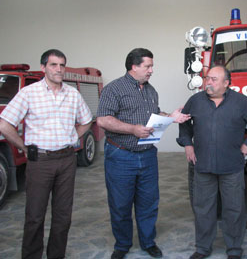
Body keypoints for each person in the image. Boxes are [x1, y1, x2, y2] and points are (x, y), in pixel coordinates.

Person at [96, 48, 190, 259]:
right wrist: (133, 129)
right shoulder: (114, 89)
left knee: (148, 202)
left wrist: (171, 116)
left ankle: (148, 242)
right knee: (120, 204)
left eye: (151, 66)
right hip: (121, 155)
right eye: (147, 66)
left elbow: (154, 115)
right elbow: (103, 120)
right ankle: (122, 244)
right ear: (134, 66)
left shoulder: (150, 90)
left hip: (147, 155)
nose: (151, 70)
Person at [0, 49, 93, 259]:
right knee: (34, 216)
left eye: (62, 65)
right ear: (43, 68)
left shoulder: (73, 94)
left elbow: (86, 120)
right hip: (40, 161)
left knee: (63, 216)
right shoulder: (28, 93)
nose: (59, 69)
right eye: (53, 65)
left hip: (67, 160)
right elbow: (5, 124)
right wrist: (24, 147)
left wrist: (72, 137)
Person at [177, 65, 247, 259]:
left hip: (231, 166)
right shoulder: (195, 101)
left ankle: (234, 249)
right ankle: (202, 248)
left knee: (234, 209)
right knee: (203, 209)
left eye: (214, 79)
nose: (208, 82)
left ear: (226, 83)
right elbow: (184, 123)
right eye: (207, 78)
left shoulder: (241, 102)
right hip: (203, 165)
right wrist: (187, 144)